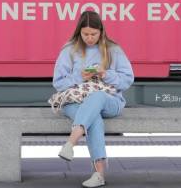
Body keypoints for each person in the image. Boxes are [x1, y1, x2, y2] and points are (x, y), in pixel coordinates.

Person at [52, 10, 134, 188]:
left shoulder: (113, 50)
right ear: (79, 32)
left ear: (101, 31)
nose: (89, 38)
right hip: (75, 100)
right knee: (93, 118)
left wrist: (106, 74)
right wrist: (79, 77)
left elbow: (127, 80)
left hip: (109, 100)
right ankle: (99, 174)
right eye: (85, 34)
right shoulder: (70, 50)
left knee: (96, 98)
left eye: (93, 34)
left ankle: (71, 142)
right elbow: (58, 83)